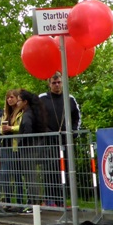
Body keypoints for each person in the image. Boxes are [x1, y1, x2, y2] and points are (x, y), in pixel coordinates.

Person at [39, 73, 81, 207]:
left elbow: (77, 118)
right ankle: (50, 200)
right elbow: (37, 118)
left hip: (66, 141)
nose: (57, 85)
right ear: (49, 84)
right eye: (54, 83)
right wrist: (47, 133)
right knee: (50, 171)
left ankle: (61, 200)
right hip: (48, 142)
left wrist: (73, 133)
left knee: (65, 171)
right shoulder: (42, 98)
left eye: (59, 82)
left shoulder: (70, 98)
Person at [17, 89, 47, 209]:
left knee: (30, 176)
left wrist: (21, 142)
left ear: (25, 102)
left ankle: (34, 202)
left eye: (19, 100)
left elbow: (27, 129)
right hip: (33, 147)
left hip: (28, 149)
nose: (17, 103)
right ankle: (35, 201)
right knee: (32, 175)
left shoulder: (27, 115)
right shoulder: (33, 113)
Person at [0, 89, 24, 209]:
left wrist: (11, 128)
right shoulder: (5, 112)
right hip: (5, 146)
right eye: (8, 97)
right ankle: (7, 200)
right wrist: (2, 130)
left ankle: (19, 201)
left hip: (16, 146)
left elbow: (22, 126)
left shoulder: (21, 112)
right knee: (5, 174)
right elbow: (0, 127)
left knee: (17, 174)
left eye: (12, 97)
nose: (9, 99)